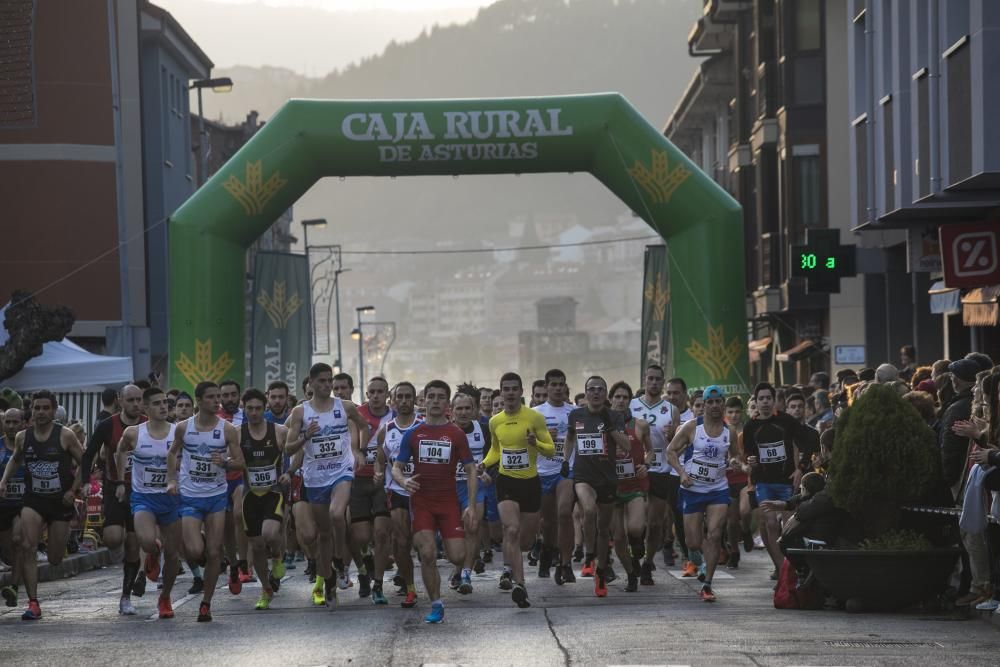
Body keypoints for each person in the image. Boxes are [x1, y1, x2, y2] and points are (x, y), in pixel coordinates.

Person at [392, 380, 478, 624]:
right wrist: (403, 481)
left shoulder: (456, 434)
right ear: (424, 400)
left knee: (458, 556)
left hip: (449, 503)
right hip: (422, 503)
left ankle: (445, 543)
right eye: (432, 396)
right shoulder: (413, 433)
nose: (436, 401)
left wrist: (470, 505)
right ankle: (436, 604)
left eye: (441, 397)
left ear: (447, 403)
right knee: (428, 554)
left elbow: (471, 470)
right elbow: (396, 467)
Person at [284, 363, 368, 607]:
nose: (327, 385)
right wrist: (306, 437)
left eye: (329, 380)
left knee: (336, 514)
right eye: (322, 381)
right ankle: (328, 579)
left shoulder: (346, 407)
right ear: (310, 383)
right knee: (322, 534)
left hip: (341, 471)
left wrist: (359, 452)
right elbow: (288, 448)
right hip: (315, 477)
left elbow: (364, 426)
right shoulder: (300, 413)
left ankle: (340, 560)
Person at [0, 390, 84, 620]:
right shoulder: (22, 437)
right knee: (27, 546)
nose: (41, 412)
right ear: (32, 411)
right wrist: (4, 481)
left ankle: (54, 540)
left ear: (54, 410)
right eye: (37, 408)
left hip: (60, 502)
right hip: (34, 500)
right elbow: (15, 459)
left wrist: (73, 490)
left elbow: (84, 463)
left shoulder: (65, 435)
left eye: (46, 408)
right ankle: (33, 603)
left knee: (56, 558)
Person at [167, 381, 245, 622]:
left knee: (212, 553)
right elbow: (172, 453)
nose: (217, 401)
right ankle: (212, 556)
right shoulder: (183, 428)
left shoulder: (228, 429)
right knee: (194, 549)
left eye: (218, 397)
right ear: (199, 401)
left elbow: (241, 462)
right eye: (211, 397)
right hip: (190, 496)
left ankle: (206, 603)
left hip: (216, 497)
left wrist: (225, 463)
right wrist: (172, 480)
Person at [481, 372, 555, 608]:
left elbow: (551, 450)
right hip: (506, 482)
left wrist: (536, 443)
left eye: (514, 389)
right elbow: (496, 450)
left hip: (530, 483)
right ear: (501, 392)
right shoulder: (495, 421)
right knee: (510, 530)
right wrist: (484, 463)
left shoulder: (534, 417)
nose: (510, 393)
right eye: (506, 389)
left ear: (521, 392)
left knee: (524, 541)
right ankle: (519, 584)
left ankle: (522, 559)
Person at [667, 385, 739, 602]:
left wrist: (736, 462)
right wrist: (681, 473)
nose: (715, 406)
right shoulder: (691, 427)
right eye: (710, 402)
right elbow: (670, 452)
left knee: (715, 534)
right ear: (704, 405)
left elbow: (736, 456)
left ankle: (707, 584)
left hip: (718, 488)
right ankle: (698, 560)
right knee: (693, 542)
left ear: (723, 404)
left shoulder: (730, 431)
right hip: (692, 489)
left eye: (719, 402)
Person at [78, 384, 147, 610]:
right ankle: (121, 538)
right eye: (131, 400)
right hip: (114, 488)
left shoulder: (149, 424)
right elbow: (88, 454)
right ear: (120, 400)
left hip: (142, 490)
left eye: (139, 399)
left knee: (134, 546)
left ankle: (125, 597)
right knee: (113, 539)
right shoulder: (108, 425)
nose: (136, 404)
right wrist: (87, 481)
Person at [115, 387, 182, 619]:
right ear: (145, 408)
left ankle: (165, 598)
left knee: (173, 555)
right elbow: (120, 451)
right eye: (156, 403)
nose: (163, 406)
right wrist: (120, 479)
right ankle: (153, 552)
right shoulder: (134, 433)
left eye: (165, 402)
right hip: (143, 497)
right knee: (145, 541)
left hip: (172, 499)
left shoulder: (178, 432)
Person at [566, 375, 632, 597]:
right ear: (585, 393)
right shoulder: (576, 415)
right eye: (591, 389)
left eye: (600, 389)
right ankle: (589, 552)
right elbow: (569, 438)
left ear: (605, 394)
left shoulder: (614, 415)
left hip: (607, 479)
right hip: (583, 476)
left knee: (604, 530)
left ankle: (601, 571)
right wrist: (565, 461)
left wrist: (610, 426)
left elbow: (626, 446)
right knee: (589, 509)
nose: (595, 392)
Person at [741, 382, 809, 578]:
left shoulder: (787, 421)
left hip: (787, 482)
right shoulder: (750, 426)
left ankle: (792, 566)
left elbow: (809, 442)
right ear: (756, 401)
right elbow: (749, 454)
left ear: (774, 401)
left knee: (788, 528)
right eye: (760, 399)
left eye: (768, 398)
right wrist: (750, 460)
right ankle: (781, 568)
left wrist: (800, 469)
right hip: (764, 483)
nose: (764, 402)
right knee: (770, 523)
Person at [237, 388, 288, 610]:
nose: (255, 413)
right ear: (244, 408)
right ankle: (266, 589)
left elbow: (299, 449)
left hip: (273, 492)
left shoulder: (279, 431)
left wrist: (291, 471)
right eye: (250, 409)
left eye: (259, 408)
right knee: (256, 546)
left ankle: (277, 557)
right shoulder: (237, 433)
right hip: (250, 495)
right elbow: (230, 459)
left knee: (269, 533)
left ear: (264, 407)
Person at [628, 364, 679, 585]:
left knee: (656, 522)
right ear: (644, 380)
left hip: (661, 469)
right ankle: (636, 544)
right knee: (637, 520)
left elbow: (678, 446)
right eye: (650, 378)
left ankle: (648, 563)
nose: (654, 382)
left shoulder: (671, 409)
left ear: (663, 381)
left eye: (658, 379)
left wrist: (670, 437)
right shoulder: (631, 406)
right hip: (637, 468)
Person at [374, 381, 421, 608]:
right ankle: (410, 588)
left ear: (414, 400)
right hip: (397, 491)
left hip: (423, 493)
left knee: (420, 542)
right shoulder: (387, 429)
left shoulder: (424, 426)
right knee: (401, 541)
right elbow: (380, 458)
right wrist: (376, 473)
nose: (403, 401)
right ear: (393, 401)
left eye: (408, 397)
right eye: (399, 397)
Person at [351, 376, 394, 599]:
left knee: (381, 533)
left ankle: (378, 584)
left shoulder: (394, 416)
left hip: (383, 481)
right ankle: (365, 562)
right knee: (361, 537)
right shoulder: (357, 414)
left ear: (387, 394)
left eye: (380, 391)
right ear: (367, 395)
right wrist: (358, 451)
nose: (376, 396)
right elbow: (353, 445)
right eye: (372, 392)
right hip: (358, 480)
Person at [534, 368, 576, 582]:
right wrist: (542, 438)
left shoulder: (574, 411)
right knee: (548, 522)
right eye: (554, 384)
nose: (558, 388)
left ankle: (565, 563)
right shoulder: (537, 412)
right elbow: (527, 441)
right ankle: (547, 552)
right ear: (547, 387)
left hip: (565, 470)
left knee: (564, 513)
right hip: (543, 471)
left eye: (562, 384)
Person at [449, 386, 490, 593]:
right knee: (455, 533)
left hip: (474, 486)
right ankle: (457, 568)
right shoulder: (445, 431)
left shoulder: (483, 430)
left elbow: (493, 454)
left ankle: (466, 574)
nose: (463, 412)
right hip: (450, 488)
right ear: (452, 411)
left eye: (468, 408)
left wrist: (486, 470)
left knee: (472, 527)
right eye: (459, 409)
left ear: (474, 410)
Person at [610, 381, 649, 592]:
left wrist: (647, 463)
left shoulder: (640, 425)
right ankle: (631, 572)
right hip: (612, 487)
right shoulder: (602, 424)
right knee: (618, 537)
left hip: (635, 484)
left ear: (630, 400)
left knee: (635, 528)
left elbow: (650, 451)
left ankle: (637, 544)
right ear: (611, 399)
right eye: (617, 397)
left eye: (625, 397)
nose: (621, 400)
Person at [216, 379, 252, 592]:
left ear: (239, 396)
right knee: (227, 527)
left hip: (241, 476)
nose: (230, 399)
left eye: (233, 394)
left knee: (240, 515)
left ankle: (245, 563)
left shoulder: (247, 416)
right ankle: (233, 564)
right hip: (219, 480)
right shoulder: (214, 419)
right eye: (225, 395)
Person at [0, 407, 25, 607]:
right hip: (2, 506)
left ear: (23, 423)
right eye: (7, 422)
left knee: (18, 541)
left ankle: (14, 588)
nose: (10, 426)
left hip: (23, 505)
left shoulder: (30, 447)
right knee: (8, 552)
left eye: (15, 422)